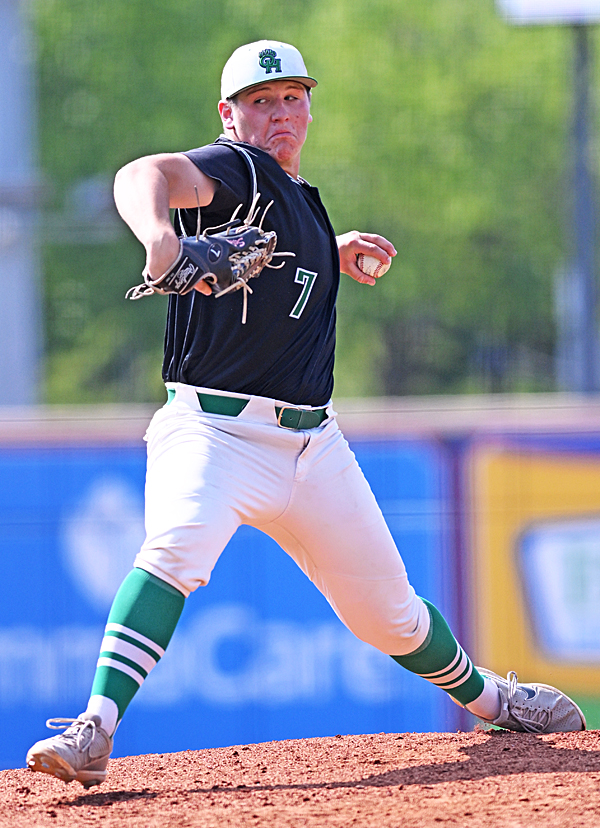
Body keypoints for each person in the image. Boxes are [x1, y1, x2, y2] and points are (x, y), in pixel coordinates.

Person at [26, 40, 585, 789]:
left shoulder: (297, 200)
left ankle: (493, 699)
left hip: (312, 446)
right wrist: (161, 237)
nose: (281, 112)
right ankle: (96, 725)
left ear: (311, 106)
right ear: (229, 116)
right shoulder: (241, 168)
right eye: (261, 101)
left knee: (391, 617)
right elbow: (144, 174)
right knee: (175, 550)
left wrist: (330, 249)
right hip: (214, 433)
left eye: (293, 97)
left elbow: (281, 257)